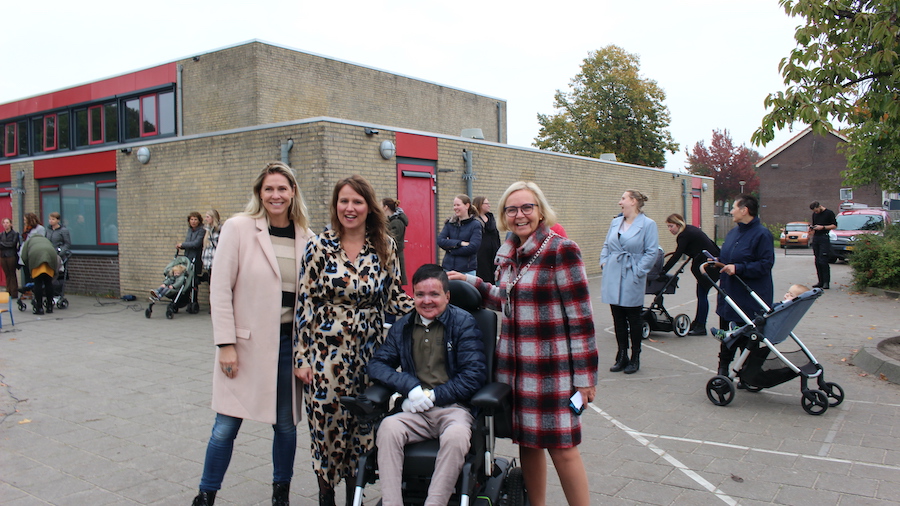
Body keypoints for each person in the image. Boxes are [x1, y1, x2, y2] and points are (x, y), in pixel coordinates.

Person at [449, 181, 597, 506]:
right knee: (528, 445)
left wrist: (585, 380)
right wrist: (469, 281)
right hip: (515, 371)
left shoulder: (561, 250)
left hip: (553, 372)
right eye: (512, 209)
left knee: (563, 449)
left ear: (540, 211)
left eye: (527, 207)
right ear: (504, 215)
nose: (520, 215)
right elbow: (505, 299)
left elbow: (581, 320)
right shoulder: (510, 253)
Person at [191, 162, 314, 506]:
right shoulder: (238, 228)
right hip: (244, 347)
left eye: (282, 188)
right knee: (225, 427)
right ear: (259, 193)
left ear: (293, 192)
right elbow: (220, 289)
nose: (276, 195)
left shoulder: (307, 237)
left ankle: (281, 493)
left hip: (288, 347)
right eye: (269, 189)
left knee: (286, 426)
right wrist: (225, 344)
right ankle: (206, 494)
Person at [294, 175, 414, 506]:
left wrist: (433, 306)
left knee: (363, 431)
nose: (350, 208)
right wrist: (302, 358)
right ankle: (326, 496)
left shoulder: (385, 246)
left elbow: (393, 298)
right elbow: (306, 303)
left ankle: (355, 496)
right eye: (344, 201)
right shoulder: (319, 246)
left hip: (369, 355)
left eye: (357, 201)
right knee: (326, 428)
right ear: (336, 206)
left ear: (369, 207)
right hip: (325, 355)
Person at [368, 264, 487, 506]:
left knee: (456, 436)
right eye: (420, 294)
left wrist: (433, 396)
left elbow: (474, 375)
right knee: (388, 428)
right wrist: (410, 388)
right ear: (413, 295)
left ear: (447, 296)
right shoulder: (403, 326)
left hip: (454, 409)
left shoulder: (463, 323)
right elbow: (377, 365)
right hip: (415, 410)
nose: (427, 301)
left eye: (434, 294)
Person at [714, 194, 775, 377]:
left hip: (749, 297)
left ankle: (748, 372)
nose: (731, 211)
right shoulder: (733, 233)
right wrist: (717, 261)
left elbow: (765, 264)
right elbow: (728, 257)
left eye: (734, 208)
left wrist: (739, 268)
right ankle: (723, 368)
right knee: (727, 334)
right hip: (729, 294)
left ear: (744, 210)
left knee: (747, 336)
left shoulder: (762, 234)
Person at [600, 190, 659, 374]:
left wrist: (638, 272)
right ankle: (621, 356)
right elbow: (607, 245)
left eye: (623, 199)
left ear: (633, 201)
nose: (620, 202)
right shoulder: (615, 222)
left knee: (633, 319)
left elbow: (652, 252)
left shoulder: (648, 224)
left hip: (631, 273)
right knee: (617, 318)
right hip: (613, 273)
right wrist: (604, 262)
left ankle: (635, 357)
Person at [661, 213, 720, 336]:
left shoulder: (684, 235)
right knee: (701, 294)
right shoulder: (691, 230)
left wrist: (663, 271)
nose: (670, 229)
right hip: (712, 264)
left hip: (708, 268)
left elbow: (677, 255)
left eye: (671, 226)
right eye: (668, 226)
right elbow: (709, 243)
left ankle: (701, 325)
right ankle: (698, 322)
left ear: (678, 225)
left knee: (702, 294)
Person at [438, 195, 482, 276]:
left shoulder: (475, 224)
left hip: (467, 271)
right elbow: (440, 241)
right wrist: (460, 243)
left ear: (467, 206)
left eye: (458, 205)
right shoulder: (450, 223)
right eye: (454, 205)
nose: (455, 208)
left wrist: (451, 250)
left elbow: (473, 247)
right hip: (448, 269)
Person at [20, 234, 58, 315]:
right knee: (48, 283)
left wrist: (29, 265)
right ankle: (49, 306)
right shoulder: (46, 240)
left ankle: (39, 307)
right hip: (50, 258)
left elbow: (23, 256)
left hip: (36, 259)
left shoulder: (29, 241)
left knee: (38, 283)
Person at [177, 211, 206, 303]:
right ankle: (187, 299)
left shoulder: (201, 230)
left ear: (199, 221)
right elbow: (188, 242)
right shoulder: (190, 230)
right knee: (187, 278)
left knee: (193, 279)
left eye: (195, 219)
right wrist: (182, 246)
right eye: (191, 219)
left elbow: (196, 243)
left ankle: (194, 301)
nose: (193, 221)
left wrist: (183, 245)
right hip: (188, 257)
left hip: (196, 257)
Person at [473, 196, 501, 283]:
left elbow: (496, 236)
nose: (489, 205)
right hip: (481, 255)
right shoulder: (474, 220)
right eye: (486, 203)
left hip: (493, 253)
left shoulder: (491, 218)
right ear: (480, 205)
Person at [809, 201, 837, 289]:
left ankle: (826, 282)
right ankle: (820, 281)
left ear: (820, 206)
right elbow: (814, 225)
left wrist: (823, 227)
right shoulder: (815, 214)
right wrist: (812, 228)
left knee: (823, 260)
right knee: (817, 261)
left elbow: (834, 225)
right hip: (816, 237)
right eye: (814, 211)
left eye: (816, 210)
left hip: (824, 237)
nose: (816, 212)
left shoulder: (829, 213)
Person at [382, 198, 408, 286]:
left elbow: (392, 241)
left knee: (395, 285)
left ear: (385, 207)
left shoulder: (397, 222)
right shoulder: (390, 221)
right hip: (392, 257)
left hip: (396, 258)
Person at [18, 213, 46, 286]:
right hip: (25, 253)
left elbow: (41, 240)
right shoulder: (26, 228)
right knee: (26, 274)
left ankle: (35, 289)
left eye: (25, 220)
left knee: (34, 275)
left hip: (33, 253)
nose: (24, 222)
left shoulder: (40, 228)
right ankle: (28, 290)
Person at [0, 218, 21, 297]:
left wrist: (3, 244)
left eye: (7, 223)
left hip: (11, 255)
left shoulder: (15, 234)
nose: (5, 224)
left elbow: (13, 244)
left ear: (10, 224)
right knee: (7, 274)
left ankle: (14, 292)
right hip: (3, 256)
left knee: (12, 273)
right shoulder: (1, 234)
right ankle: (8, 290)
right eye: (4, 223)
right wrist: (5, 244)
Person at [201, 209, 221, 283]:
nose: (206, 219)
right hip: (209, 260)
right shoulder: (207, 229)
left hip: (217, 259)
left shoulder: (220, 229)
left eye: (207, 217)